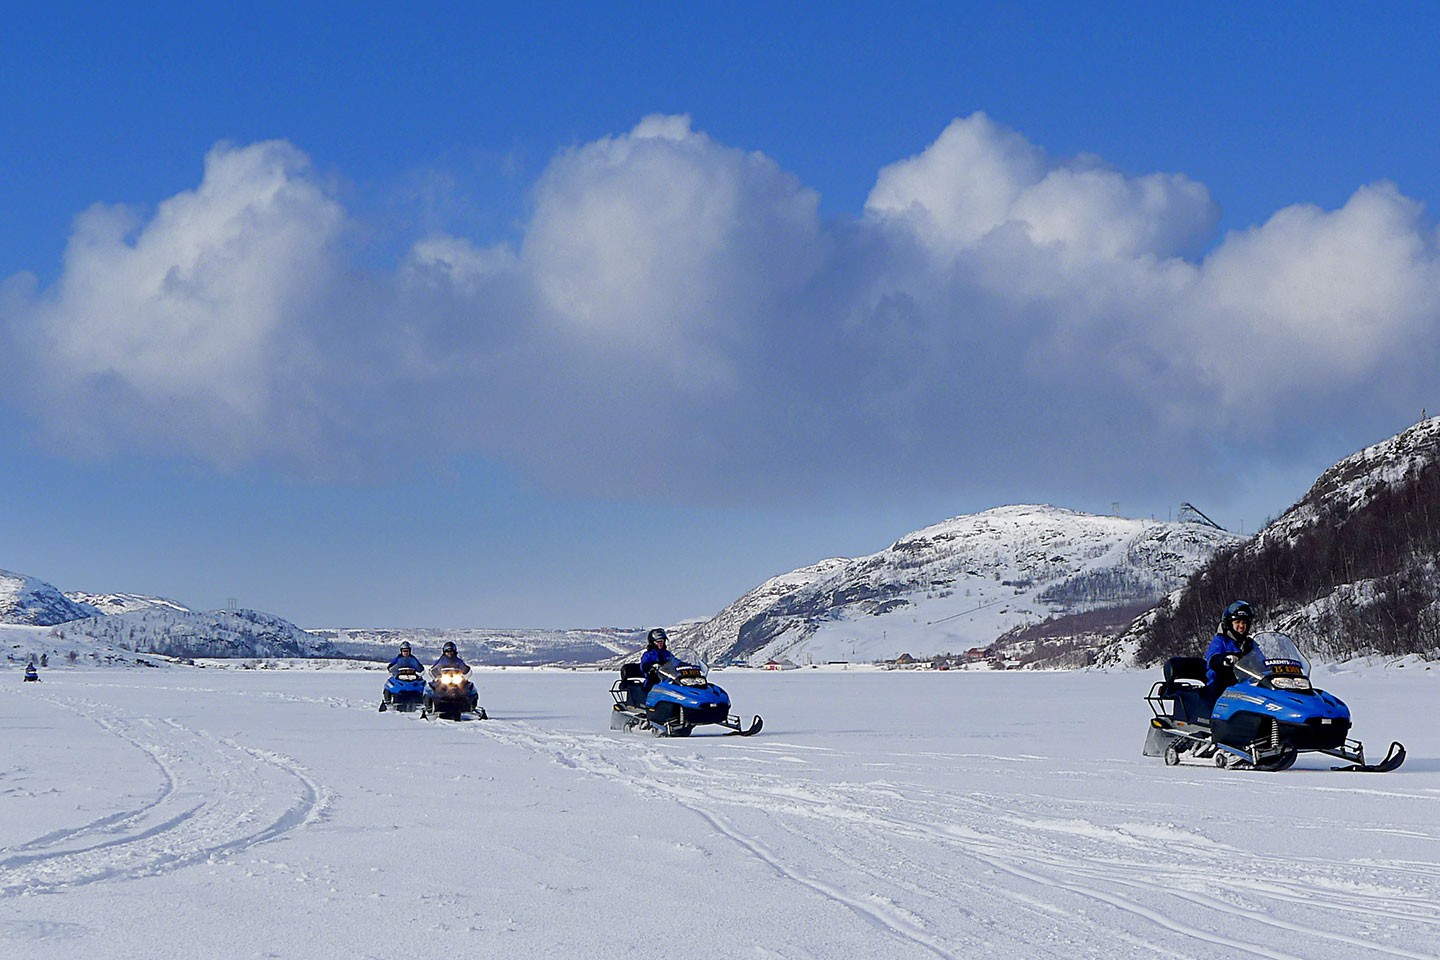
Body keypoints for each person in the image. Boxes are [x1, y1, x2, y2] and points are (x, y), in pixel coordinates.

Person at [1204, 600, 1257, 695]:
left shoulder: (1249, 643)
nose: (1241, 626)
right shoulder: (1221, 640)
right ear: (1229, 623)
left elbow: (1260, 659)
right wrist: (1223, 660)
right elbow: (1212, 657)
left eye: (1244, 622)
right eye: (1237, 622)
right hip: (1220, 684)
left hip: (1243, 684)